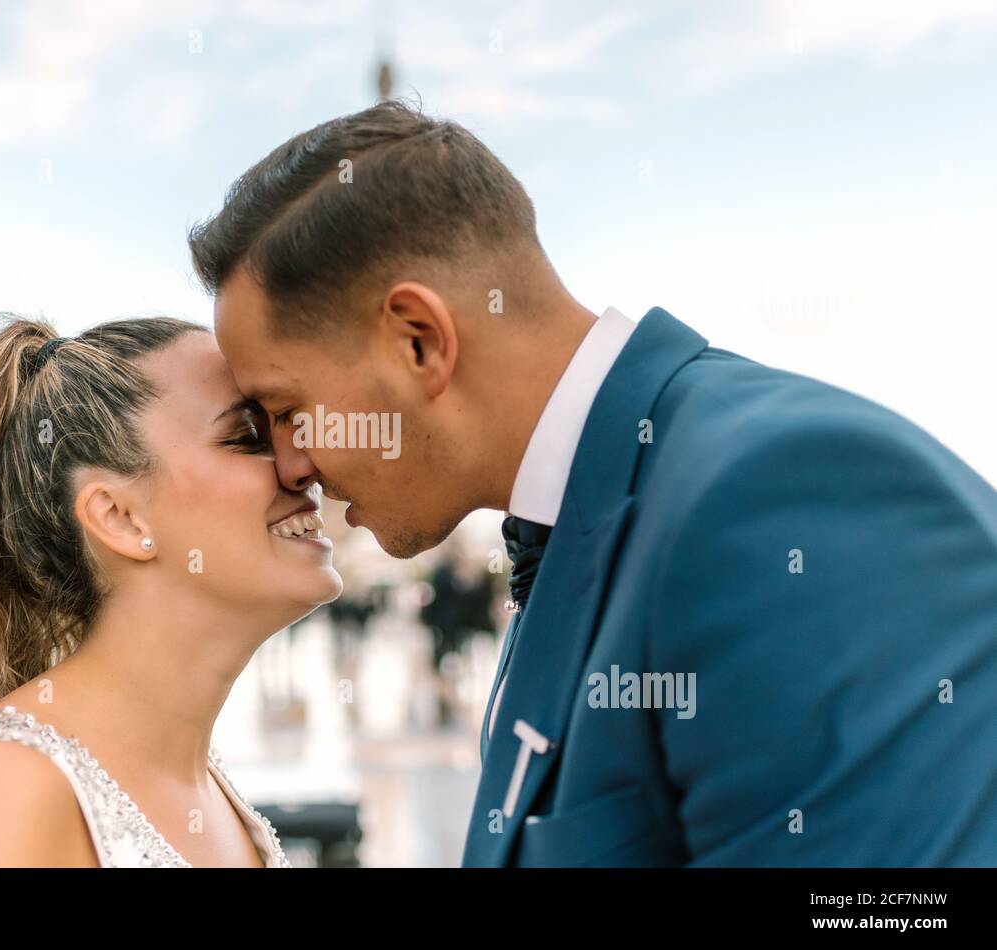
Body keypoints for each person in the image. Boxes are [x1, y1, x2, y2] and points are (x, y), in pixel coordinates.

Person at [189, 99, 997, 865]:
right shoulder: (593, 511)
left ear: (419, 341)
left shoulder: (780, 499)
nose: (291, 464)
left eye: (289, 408)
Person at [0, 314, 342, 867]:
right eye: (248, 436)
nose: (304, 466)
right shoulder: (5, 790)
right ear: (120, 518)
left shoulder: (203, 783)